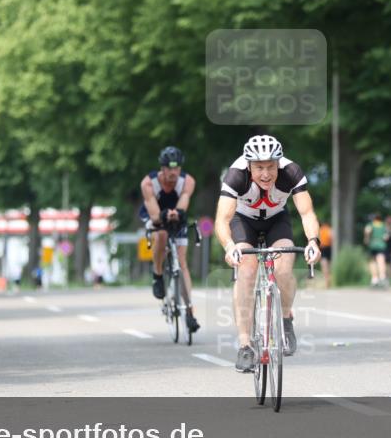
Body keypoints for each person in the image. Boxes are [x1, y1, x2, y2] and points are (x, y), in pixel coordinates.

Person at [215, 135, 321, 372]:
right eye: (259, 168)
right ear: (249, 166)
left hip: (276, 220)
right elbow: (222, 220)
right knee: (246, 271)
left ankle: (286, 318)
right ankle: (245, 345)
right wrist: (229, 247)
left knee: (284, 267)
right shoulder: (235, 175)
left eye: (271, 167)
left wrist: (313, 242)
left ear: (278, 164)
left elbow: (307, 213)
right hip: (243, 221)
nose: (265, 174)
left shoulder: (291, 172)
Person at [139, 146, 200, 334]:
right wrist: (163, 216)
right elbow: (154, 213)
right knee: (162, 234)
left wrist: (178, 213)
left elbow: (183, 202)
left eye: (177, 168)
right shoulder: (148, 184)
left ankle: (189, 312)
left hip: (176, 215)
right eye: (169, 168)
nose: (173, 172)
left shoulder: (187, 181)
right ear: (162, 168)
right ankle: (157, 274)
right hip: (155, 213)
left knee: (181, 263)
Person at [364, 214, 389, 287]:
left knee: (373, 262)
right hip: (381, 245)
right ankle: (382, 277)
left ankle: (374, 279)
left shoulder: (371, 224)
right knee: (381, 261)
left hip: (373, 244)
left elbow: (367, 231)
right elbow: (386, 237)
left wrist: (367, 239)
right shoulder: (383, 225)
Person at [318, 222, 333, 288]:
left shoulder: (320, 230)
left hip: (323, 248)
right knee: (328, 266)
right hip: (329, 248)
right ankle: (328, 282)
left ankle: (327, 282)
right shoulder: (329, 229)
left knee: (324, 266)